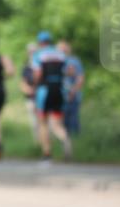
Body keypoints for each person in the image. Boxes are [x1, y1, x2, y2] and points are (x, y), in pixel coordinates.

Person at [32, 31, 72, 163]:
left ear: (40, 42)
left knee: (43, 123)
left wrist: (34, 86)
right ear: (50, 41)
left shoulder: (38, 54)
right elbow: (70, 71)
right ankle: (64, 137)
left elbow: (38, 73)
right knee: (56, 123)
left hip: (44, 90)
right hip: (59, 90)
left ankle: (47, 154)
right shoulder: (60, 54)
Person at [57, 40, 84, 136]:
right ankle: (67, 142)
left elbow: (80, 78)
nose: (61, 51)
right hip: (61, 96)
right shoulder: (57, 62)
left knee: (73, 119)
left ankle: (75, 141)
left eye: (63, 48)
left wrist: (73, 91)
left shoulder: (74, 61)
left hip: (73, 95)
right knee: (62, 121)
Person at [18, 42, 39, 146]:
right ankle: (37, 144)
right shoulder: (26, 67)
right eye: (31, 51)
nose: (32, 53)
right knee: (34, 123)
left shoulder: (41, 64)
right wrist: (29, 90)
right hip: (31, 98)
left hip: (41, 98)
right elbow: (22, 83)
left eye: (34, 51)